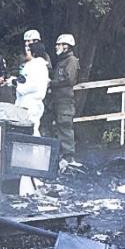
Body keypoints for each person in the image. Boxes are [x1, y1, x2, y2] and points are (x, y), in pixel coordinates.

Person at [51, 33, 80, 165]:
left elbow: (70, 80)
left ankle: (69, 157)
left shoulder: (71, 61)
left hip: (65, 100)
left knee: (65, 127)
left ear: (67, 46)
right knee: (60, 127)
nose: (57, 46)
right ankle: (63, 156)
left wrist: (51, 83)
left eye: (60, 44)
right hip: (58, 100)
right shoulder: (62, 61)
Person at [10, 42, 50, 135]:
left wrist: (18, 85)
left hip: (31, 102)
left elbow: (33, 85)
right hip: (26, 101)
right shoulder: (33, 65)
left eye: (29, 50)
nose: (26, 53)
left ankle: (36, 149)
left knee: (31, 129)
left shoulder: (37, 66)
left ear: (34, 53)